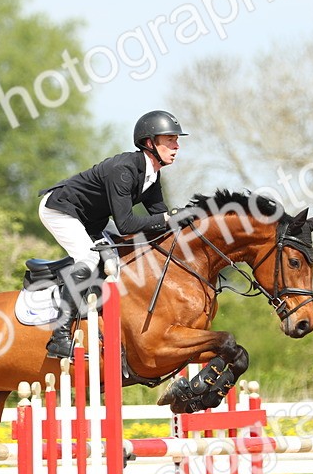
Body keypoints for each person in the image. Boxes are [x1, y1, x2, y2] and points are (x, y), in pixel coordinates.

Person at [37, 109, 201, 358]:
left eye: (176, 140)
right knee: (88, 259)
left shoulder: (152, 175)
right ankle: (59, 338)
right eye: (170, 140)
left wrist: (189, 223)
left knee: (126, 254)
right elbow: (125, 224)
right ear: (149, 143)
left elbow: (160, 221)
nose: (177, 146)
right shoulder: (123, 170)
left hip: (91, 220)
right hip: (61, 209)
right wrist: (169, 218)